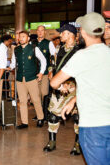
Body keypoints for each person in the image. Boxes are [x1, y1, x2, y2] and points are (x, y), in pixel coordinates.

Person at [52, 12, 110, 165]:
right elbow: (99, 83)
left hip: (93, 126)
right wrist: (74, 100)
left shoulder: (81, 56)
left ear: (83, 32)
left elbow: (54, 82)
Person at [43, 24, 81, 155]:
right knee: (53, 116)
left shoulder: (80, 50)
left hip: (74, 88)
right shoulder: (58, 48)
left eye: (63, 33)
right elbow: (52, 63)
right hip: (58, 87)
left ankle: (77, 144)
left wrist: (68, 83)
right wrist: (50, 73)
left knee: (78, 117)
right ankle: (52, 142)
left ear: (70, 35)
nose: (60, 35)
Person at [9, 31, 46, 129]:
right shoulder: (16, 50)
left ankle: (40, 118)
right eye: (20, 37)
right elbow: (13, 63)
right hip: (20, 79)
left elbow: (43, 60)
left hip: (32, 78)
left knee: (36, 100)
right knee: (22, 101)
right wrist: (10, 67)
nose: (21, 38)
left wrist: (41, 72)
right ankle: (24, 122)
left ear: (28, 38)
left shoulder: (34, 48)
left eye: (23, 36)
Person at [34, 26, 56, 120]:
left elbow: (53, 56)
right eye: (38, 31)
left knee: (44, 93)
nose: (40, 32)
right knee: (36, 95)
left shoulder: (49, 43)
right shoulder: (32, 43)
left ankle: (45, 113)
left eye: (42, 30)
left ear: (45, 32)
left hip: (46, 72)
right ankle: (39, 114)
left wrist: (52, 70)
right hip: (34, 73)